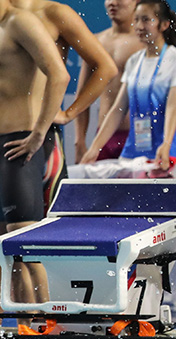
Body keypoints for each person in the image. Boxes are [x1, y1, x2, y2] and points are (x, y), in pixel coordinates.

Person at [9, 0, 118, 209]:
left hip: (36, 136)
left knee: (32, 225)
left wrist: (69, 114)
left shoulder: (55, 13)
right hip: (6, 133)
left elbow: (105, 67)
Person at [0, 0, 69, 323]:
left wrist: (40, 131)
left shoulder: (20, 22)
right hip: (3, 146)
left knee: (23, 241)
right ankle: (24, 324)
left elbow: (59, 74)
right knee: (7, 245)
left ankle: (46, 324)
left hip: (20, 141)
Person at [80, 0, 176, 180]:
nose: (139, 26)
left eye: (146, 20)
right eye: (136, 20)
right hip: (133, 153)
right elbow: (118, 110)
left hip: (166, 154)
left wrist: (166, 144)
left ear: (164, 25)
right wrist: (95, 147)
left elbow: (173, 107)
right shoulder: (134, 61)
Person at [74, 0, 145, 163]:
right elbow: (82, 96)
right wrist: (79, 142)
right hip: (103, 138)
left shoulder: (146, 43)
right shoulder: (95, 41)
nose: (113, 3)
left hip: (140, 137)